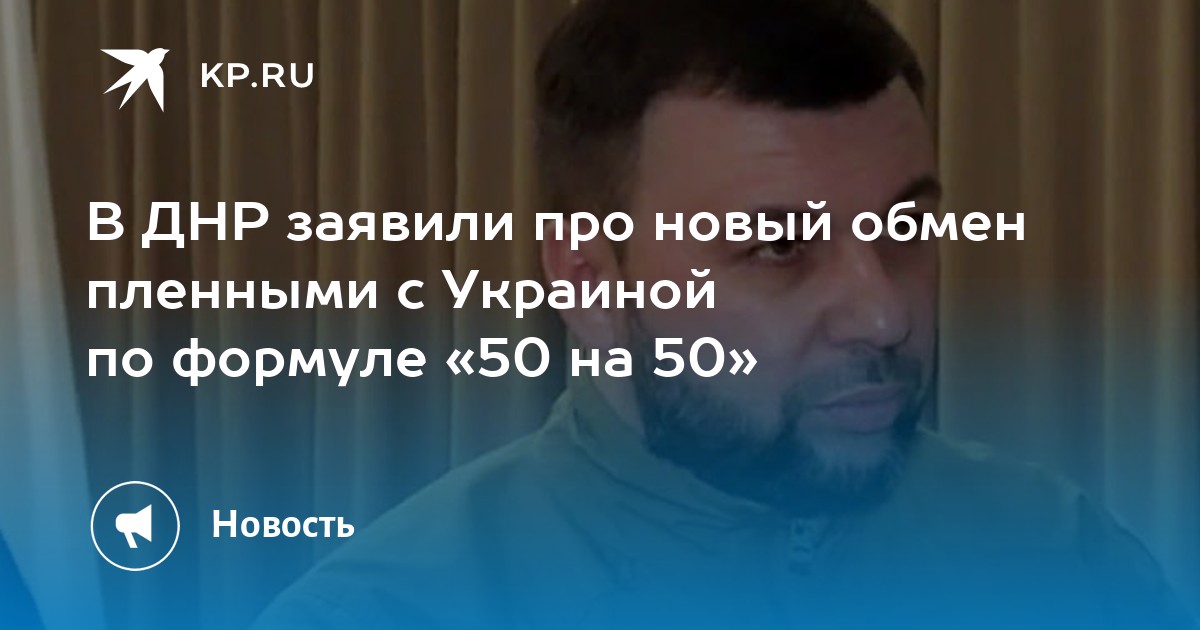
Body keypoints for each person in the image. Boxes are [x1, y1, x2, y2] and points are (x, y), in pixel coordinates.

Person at [256, 1, 1196, 627]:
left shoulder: (1070, 562)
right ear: (588, 281)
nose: (883, 315)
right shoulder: (388, 612)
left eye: (907, 227)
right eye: (779, 247)